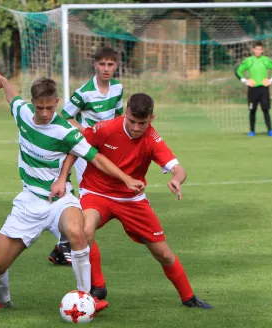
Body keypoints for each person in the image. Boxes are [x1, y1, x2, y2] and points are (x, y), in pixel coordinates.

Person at [0, 66, 145, 311]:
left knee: (78, 233)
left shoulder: (66, 131)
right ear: (32, 103)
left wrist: (126, 179)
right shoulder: (22, 113)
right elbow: (13, 97)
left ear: (57, 103)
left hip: (60, 199)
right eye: (40, 107)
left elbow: (96, 158)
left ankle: (87, 299)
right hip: (29, 201)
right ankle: (3, 303)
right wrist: (3, 82)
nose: (45, 113)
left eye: (50, 107)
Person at [51, 93, 212, 309]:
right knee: (85, 230)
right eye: (132, 121)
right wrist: (63, 178)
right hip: (97, 193)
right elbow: (76, 148)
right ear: (126, 113)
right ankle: (97, 288)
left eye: (142, 123)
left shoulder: (152, 140)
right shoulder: (104, 129)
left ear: (151, 118)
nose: (136, 128)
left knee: (163, 253)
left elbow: (178, 168)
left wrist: (176, 179)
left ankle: (189, 297)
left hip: (132, 199)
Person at [48, 46, 124, 266]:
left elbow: (118, 116)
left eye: (111, 64)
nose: (106, 68)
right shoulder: (84, 92)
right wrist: (87, 132)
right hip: (84, 153)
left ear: (116, 65)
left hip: (105, 152)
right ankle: (69, 246)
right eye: (102, 64)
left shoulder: (118, 89)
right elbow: (65, 117)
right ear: (95, 65)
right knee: (87, 199)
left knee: (94, 200)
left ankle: (62, 247)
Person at [235, 41, 272, 137]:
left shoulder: (266, 60)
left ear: (262, 50)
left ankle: (270, 131)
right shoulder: (249, 61)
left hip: (264, 89)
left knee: (266, 110)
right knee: (252, 110)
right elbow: (238, 71)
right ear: (253, 50)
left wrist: (271, 80)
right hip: (253, 89)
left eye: (260, 49)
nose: (258, 51)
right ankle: (252, 131)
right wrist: (245, 81)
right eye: (257, 49)